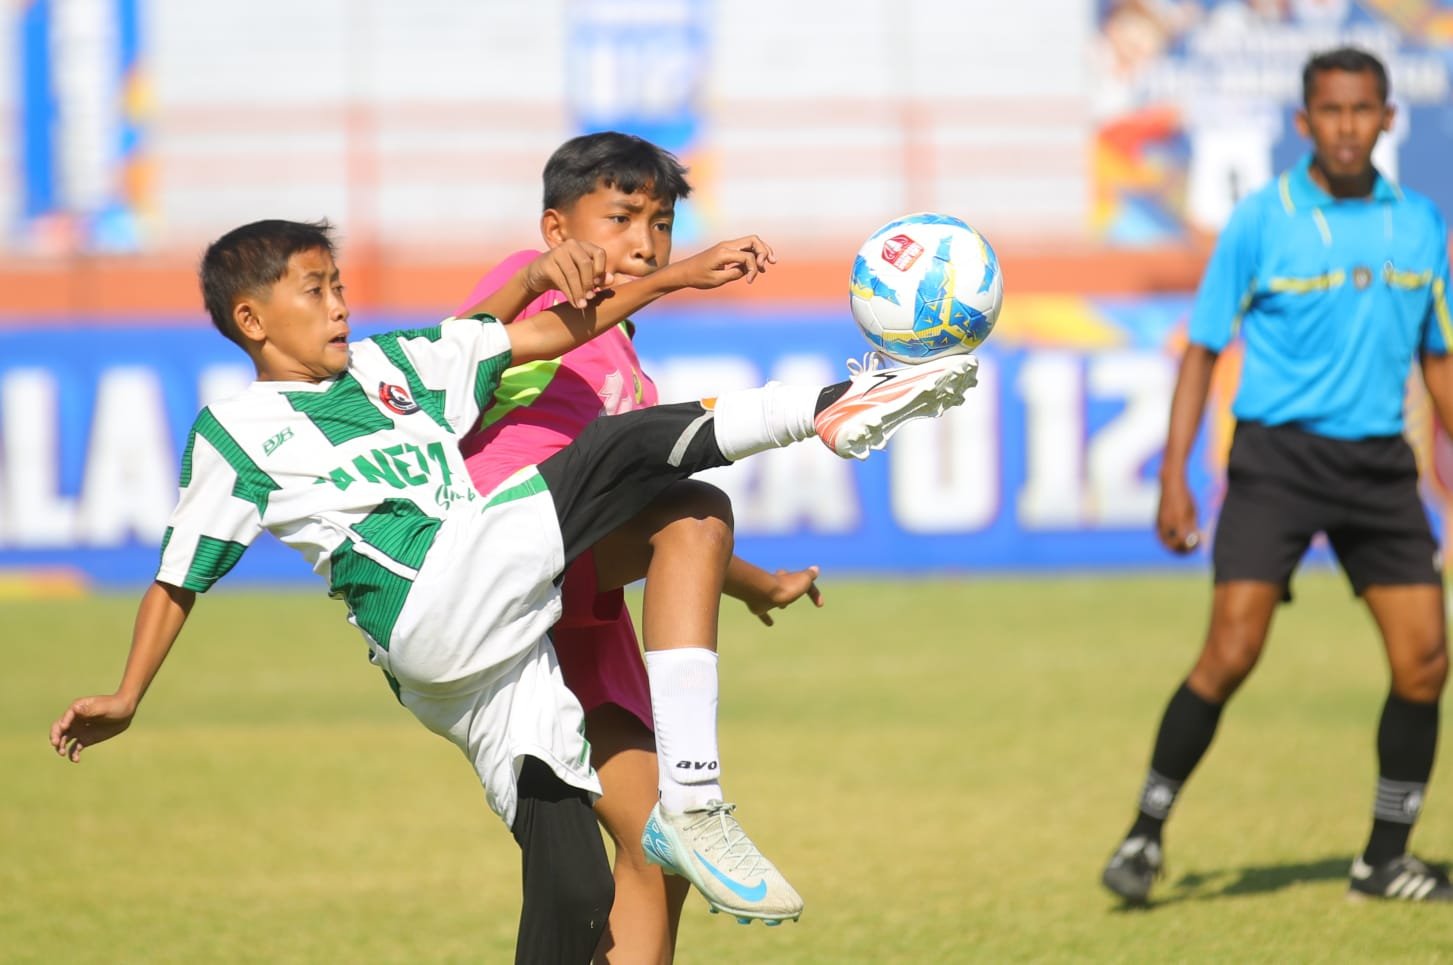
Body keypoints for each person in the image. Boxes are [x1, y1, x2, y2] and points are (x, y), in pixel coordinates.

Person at [49, 218, 980, 961]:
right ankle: (830, 407)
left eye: (339, 284)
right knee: (616, 455)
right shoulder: (236, 427)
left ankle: (668, 826)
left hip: (481, 664)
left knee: (574, 884)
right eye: (314, 289)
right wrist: (128, 694)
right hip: (428, 598)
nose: (339, 304)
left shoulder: (393, 367)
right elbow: (180, 574)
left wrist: (669, 278)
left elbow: (541, 331)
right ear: (251, 320)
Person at [457, 131, 823, 962]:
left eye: (659, 224)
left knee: (654, 851)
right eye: (620, 216)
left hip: (583, 618)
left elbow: (660, 532)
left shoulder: (624, 363)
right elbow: (458, 347)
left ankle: (689, 812)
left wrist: (758, 584)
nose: (643, 241)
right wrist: (674, 276)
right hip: (509, 571)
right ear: (556, 229)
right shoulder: (527, 280)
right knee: (694, 495)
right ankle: (701, 797)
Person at [1100, 47, 1453, 905]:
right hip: (1276, 463)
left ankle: (1381, 859)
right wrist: (1174, 477)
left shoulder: (1420, 223)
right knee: (1230, 651)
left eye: (1362, 110)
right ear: (1303, 123)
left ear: (1387, 119)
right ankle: (1145, 833)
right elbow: (1201, 348)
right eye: (1329, 112)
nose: (1345, 126)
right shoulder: (1260, 219)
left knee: (1424, 663)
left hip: (1377, 467)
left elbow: (1437, 360)